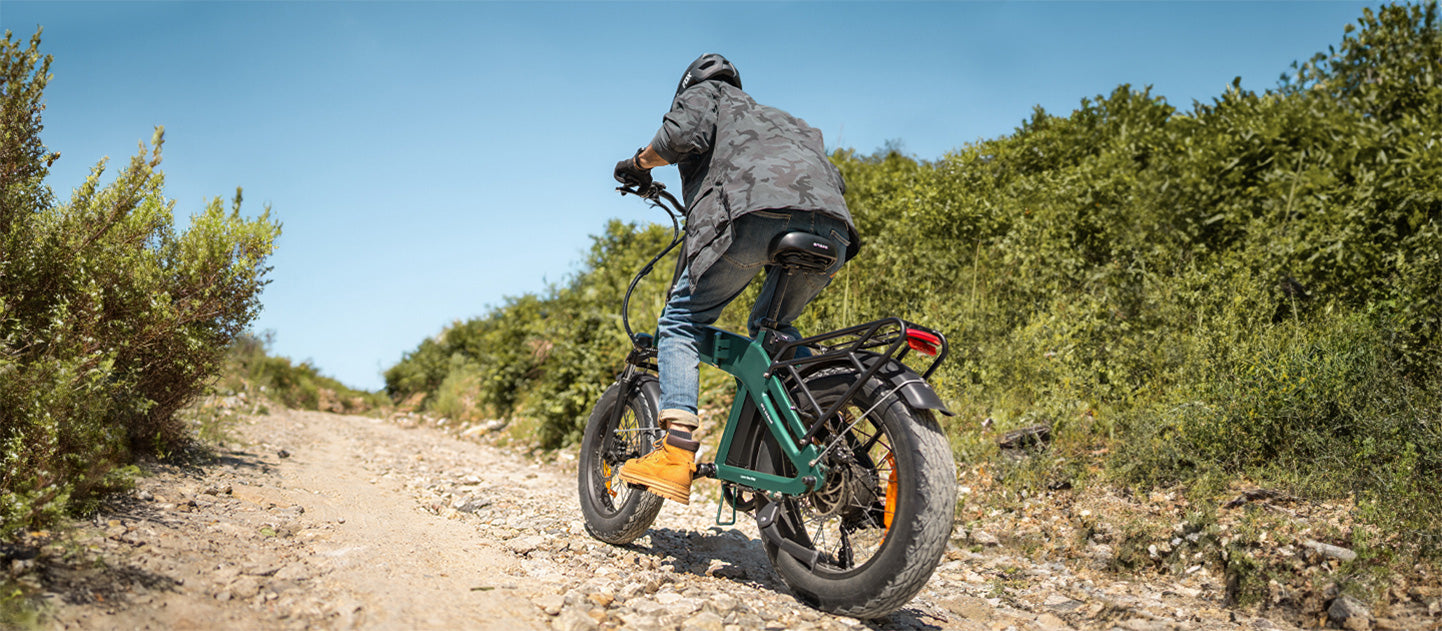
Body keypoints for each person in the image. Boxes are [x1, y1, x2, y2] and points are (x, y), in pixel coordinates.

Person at [612, 53, 859, 505]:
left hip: (755, 214)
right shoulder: (789, 121)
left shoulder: (708, 94)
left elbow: (679, 136)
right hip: (832, 227)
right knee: (775, 330)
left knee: (681, 321)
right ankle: (821, 429)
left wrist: (640, 164)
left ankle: (675, 452)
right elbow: (835, 179)